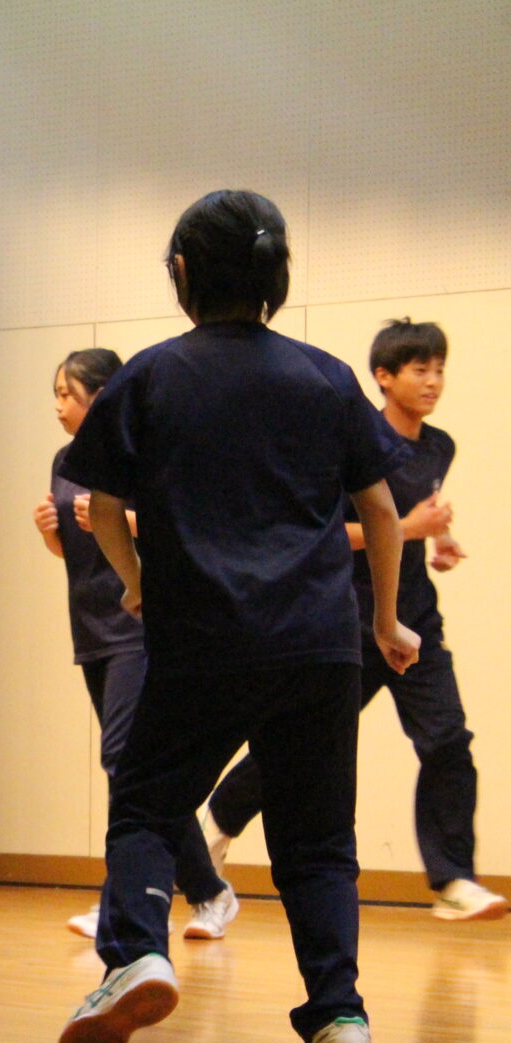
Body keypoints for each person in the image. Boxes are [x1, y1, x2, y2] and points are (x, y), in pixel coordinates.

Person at [53, 190, 418, 1043]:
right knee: (319, 838)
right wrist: (385, 618)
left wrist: (138, 587)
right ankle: (339, 1019)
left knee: (146, 800)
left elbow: (100, 507)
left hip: (201, 641)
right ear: (275, 277)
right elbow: (382, 511)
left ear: (181, 273)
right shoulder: (326, 376)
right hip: (319, 646)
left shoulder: (150, 375)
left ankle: (136, 951)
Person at [202, 320, 505, 922]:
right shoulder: (352, 442)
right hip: (346, 622)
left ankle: (452, 879)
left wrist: (438, 537)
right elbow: (323, 535)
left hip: (413, 620)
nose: (434, 381)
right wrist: (405, 530)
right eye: (420, 369)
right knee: (297, 750)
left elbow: (420, 511)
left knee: (448, 740)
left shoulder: (438, 444)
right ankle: (215, 822)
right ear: (383, 377)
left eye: (439, 368)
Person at [34, 349, 238, 940]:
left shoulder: (140, 450)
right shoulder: (63, 460)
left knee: (125, 760)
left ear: (101, 396)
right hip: (91, 630)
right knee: (141, 769)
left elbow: (182, 524)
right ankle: (209, 891)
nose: (57, 406)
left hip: (140, 625)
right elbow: (75, 554)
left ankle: (126, 899)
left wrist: (123, 522)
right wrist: (52, 535)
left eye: (67, 394)